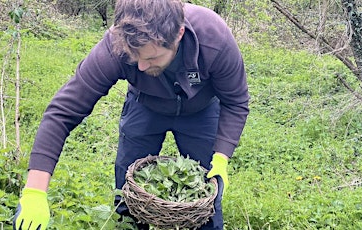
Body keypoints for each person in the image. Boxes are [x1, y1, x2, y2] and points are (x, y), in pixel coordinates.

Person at [13, 0, 249, 229]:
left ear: (178, 34)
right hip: (145, 106)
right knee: (128, 195)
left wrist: (221, 157)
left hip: (201, 111)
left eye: (151, 58)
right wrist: (35, 190)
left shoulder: (214, 39)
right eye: (134, 57)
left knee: (206, 192)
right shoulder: (116, 45)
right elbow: (63, 111)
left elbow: (236, 102)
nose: (142, 68)